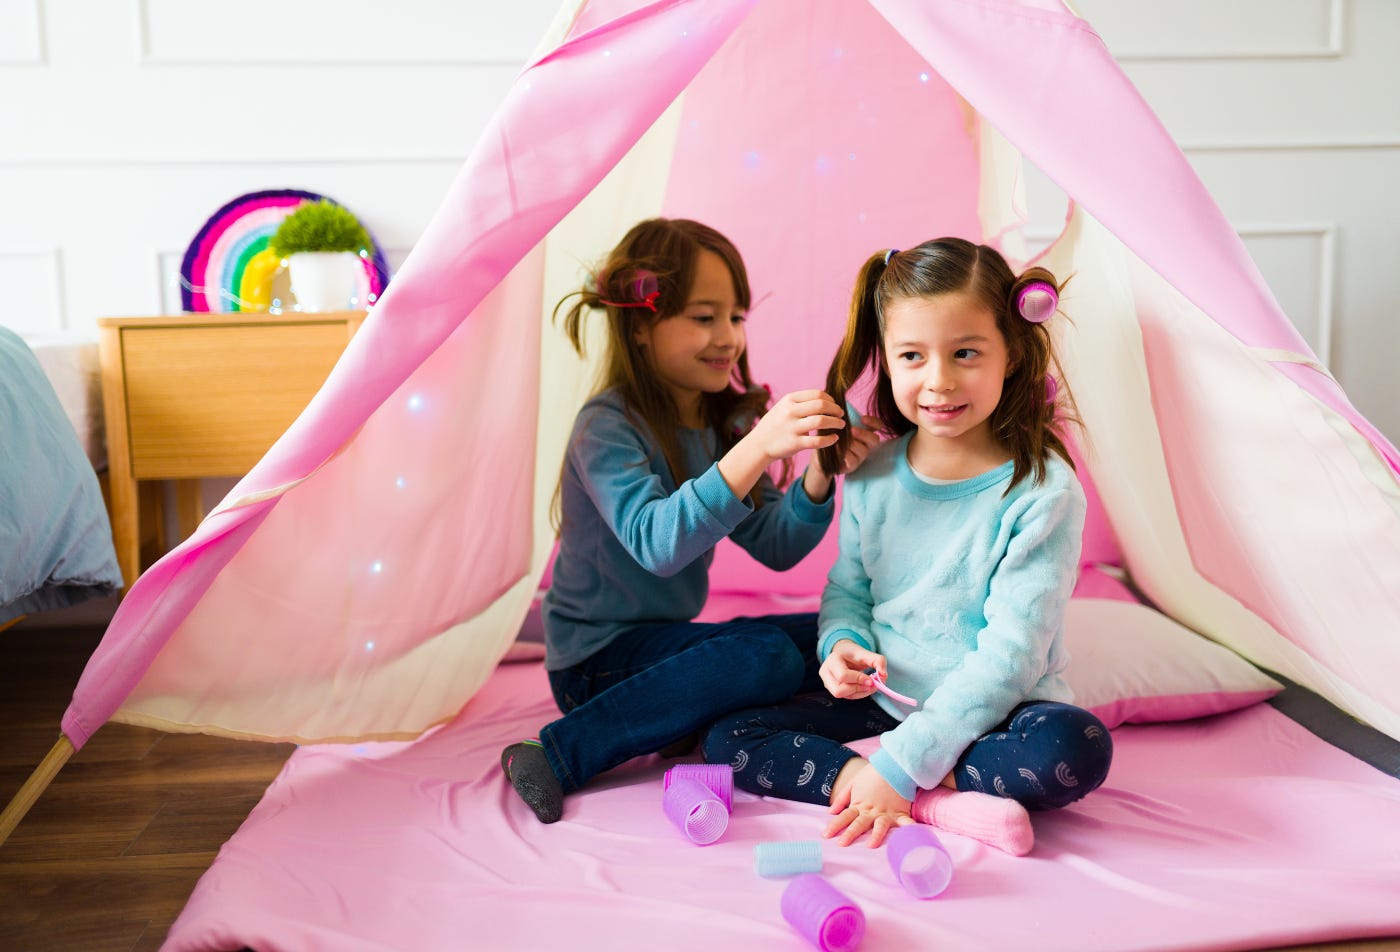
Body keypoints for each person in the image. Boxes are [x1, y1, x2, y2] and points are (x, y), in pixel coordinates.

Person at [702, 238, 1112, 854]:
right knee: (728, 738)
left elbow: (1012, 657)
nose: (938, 380)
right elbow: (849, 589)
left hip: (998, 716)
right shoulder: (873, 472)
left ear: (1012, 355)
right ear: (888, 363)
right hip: (887, 703)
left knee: (1073, 748)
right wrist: (843, 646)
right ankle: (932, 801)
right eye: (913, 356)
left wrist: (898, 768)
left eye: (966, 353)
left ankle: (897, 785)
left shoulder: (1044, 491)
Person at [501, 217, 880, 824]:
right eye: (705, 317)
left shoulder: (714, 425)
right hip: (595, 666)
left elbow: (777, 547)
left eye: (735, 318)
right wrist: (757, 448)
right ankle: (554, 751)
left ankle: (712, 720)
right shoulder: (607, 427)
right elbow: (656, 544)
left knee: (842, 631)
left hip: (666, 651)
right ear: (643, 326)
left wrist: (817, 472)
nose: (727, 336)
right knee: (762, 657)